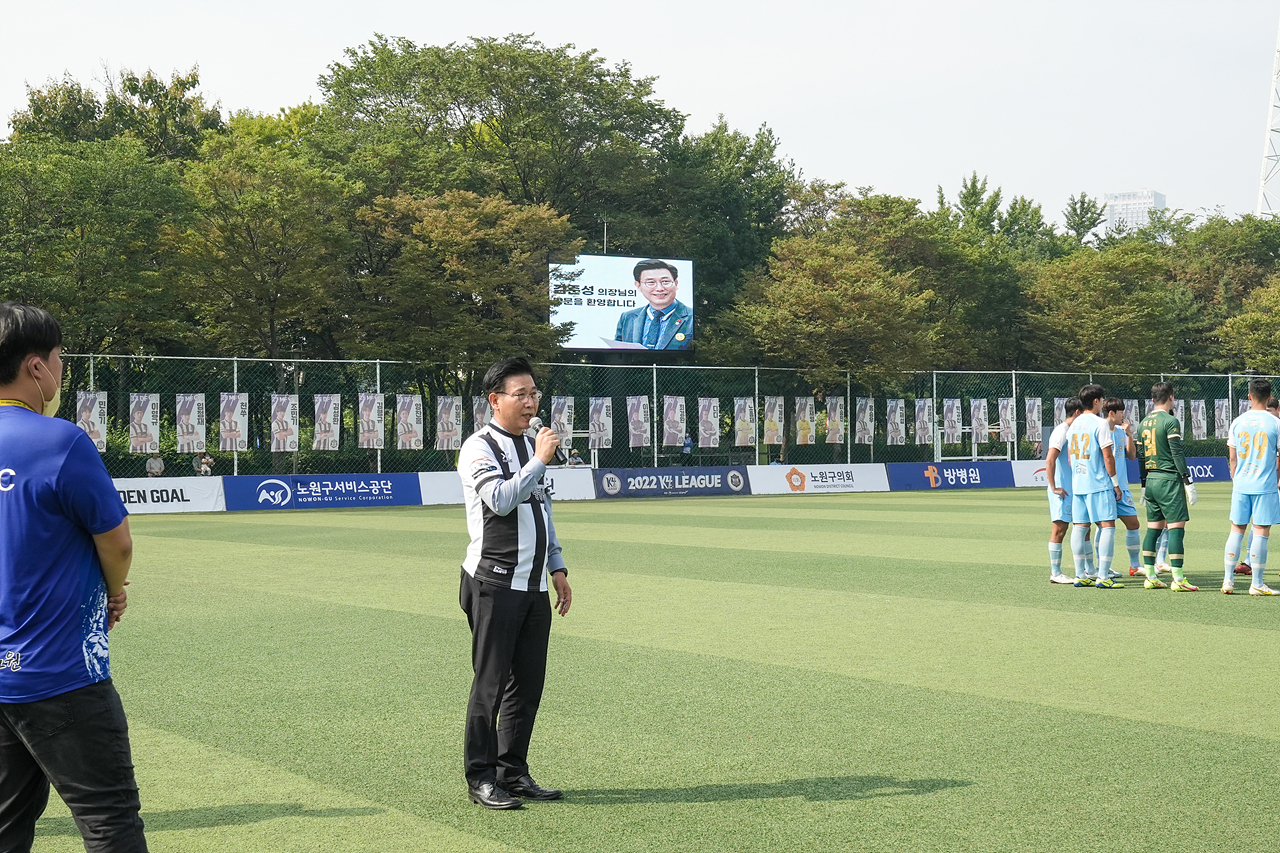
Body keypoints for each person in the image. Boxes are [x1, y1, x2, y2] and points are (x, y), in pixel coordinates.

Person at [0, 303, 148, 852]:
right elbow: (117, 540)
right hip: (59, 672)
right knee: (109, 821)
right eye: (59, 358)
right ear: (36, 367)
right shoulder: (60, 441)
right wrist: (113, 590)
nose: (61, 370)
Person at [456, 357, 572, 810]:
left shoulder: (531, 447)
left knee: (527, 684)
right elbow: (502, 501)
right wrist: (540, 461)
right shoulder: (478, 447)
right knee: (491, 684)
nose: (531, 402)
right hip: (493, 583)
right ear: (495, 400)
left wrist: (557, 567)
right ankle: (481, 778)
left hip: (533, 586)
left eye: (534, 394)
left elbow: (542, 510)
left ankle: (514, 772)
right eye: (520, 394)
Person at [1136, 381, 1198, 591]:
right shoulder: (1171, 421)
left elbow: (1141, 457)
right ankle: (1178, 579)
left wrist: (1144, 484)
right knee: (1176, 530)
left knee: (1153, 529)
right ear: (1171, 398)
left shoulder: (1143, 423)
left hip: (1151, 480)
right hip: (1169, 480)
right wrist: (1187, 480)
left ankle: (1151, 576)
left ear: (1153, 400)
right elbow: (1176, 452)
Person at [1222, 378, 1280, 595]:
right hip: (1264, 486)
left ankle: (1228, 580)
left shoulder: (1238, 421)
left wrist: (1236, 480)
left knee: (1236, 530)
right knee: (1261, 531)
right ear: (1270, 397)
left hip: (1241, 484)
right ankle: (1256, 583)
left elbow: (1232, 457)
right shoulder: (1275, 422)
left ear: (1249, 396)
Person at [1066, 384, 1125, 588]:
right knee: (1107, 525)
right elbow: (1108, 457)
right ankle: (1103, 576)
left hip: (1079, 483)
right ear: (1097, 401)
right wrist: (1116, 484)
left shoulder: (1073, 425)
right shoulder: (1100, 424)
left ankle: (1079, 573)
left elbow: (1070, 457)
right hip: (1098, 482)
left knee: (1080, 527)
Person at [1102, 397, 1150, 583]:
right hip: (1106, 488)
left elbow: (1131, 456)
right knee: (1104, 527)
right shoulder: (1101, 430)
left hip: (1123, 487)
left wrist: (1129, 435)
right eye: (1121, 411)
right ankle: (1103, 567)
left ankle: (1135, 565)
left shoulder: (1121, 432)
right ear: (1112, 413)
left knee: (1133, 523)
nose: (1124, 415)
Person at [1044, 397, 1083, 584]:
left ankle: (1087, 569)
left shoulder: (1074, 431)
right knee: (1060, 529)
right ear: (1077, 412)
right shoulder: (1061, 431)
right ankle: (1055, 572)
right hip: (1063, 490)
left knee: (1083, 527)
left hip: (1075, 489)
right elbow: (1050, 459)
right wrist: (1054, 487)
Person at [614, 260, 692, 350]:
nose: (659, 288)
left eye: (665, 281)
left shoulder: (692, 317)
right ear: (638, 285)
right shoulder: (628, 317)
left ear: (676, 283)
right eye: (650, 282)